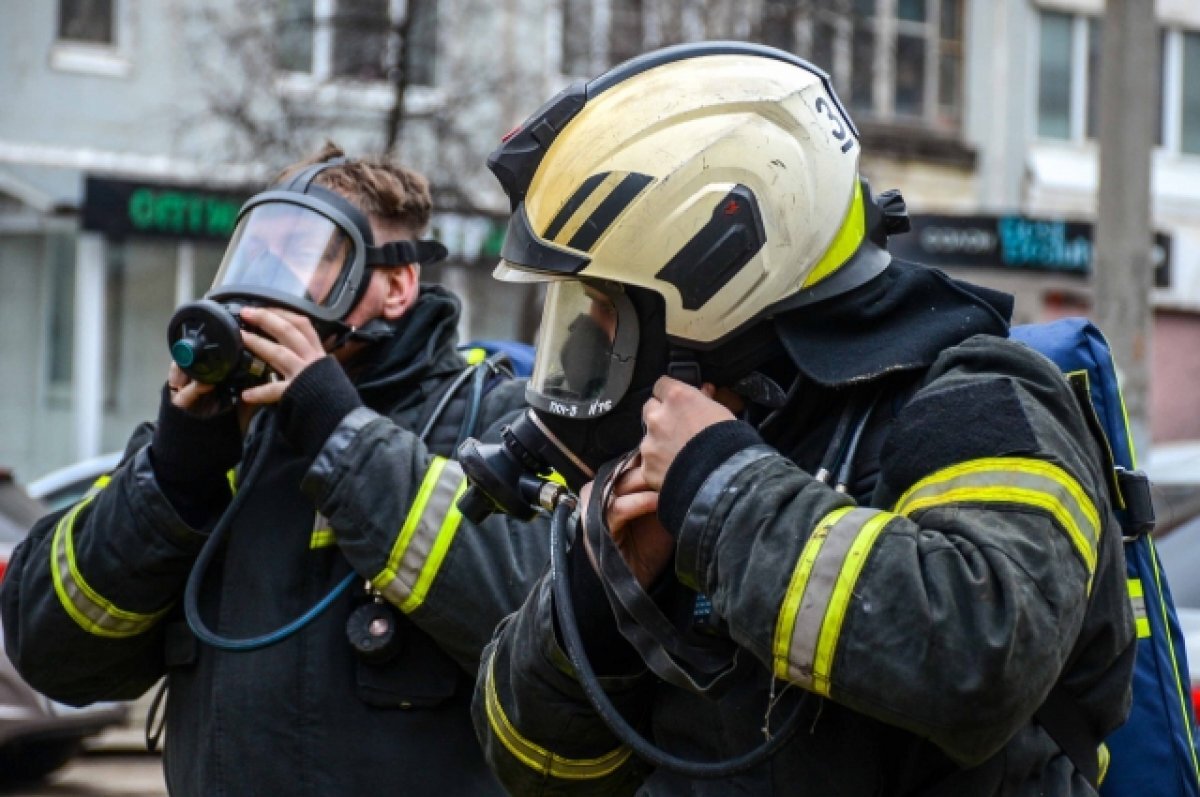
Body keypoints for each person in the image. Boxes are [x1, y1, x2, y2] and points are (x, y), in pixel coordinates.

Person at [471, 43, 1135, 795]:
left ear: (713, 272)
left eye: (606, 310)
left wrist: (717, 489)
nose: (590, 339)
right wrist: (595, 603)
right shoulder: (704, 439)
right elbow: (533, 767)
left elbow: (985, 654)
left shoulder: (985, 394)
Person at [1, 143, 547, 796]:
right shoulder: (219, 446)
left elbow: (538, 631)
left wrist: (338, 431)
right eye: (261, 251)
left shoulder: (496, 424)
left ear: (397, 286)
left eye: (311, 255)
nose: (272, 280)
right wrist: (173, 479)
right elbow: (50, 652)